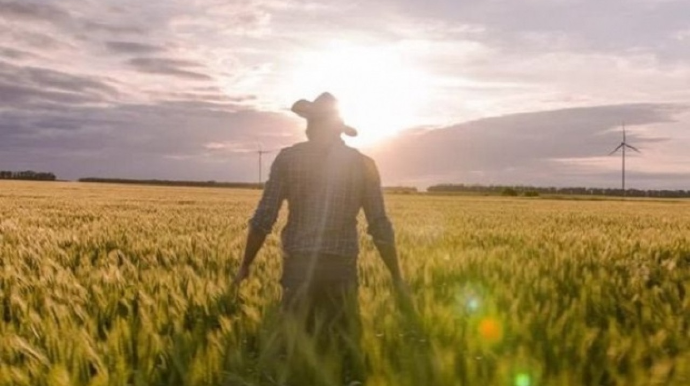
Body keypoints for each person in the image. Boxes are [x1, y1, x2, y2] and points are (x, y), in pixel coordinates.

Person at [232, 92, 407, 381]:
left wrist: (245, 265)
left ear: (310, 124)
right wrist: (397, 276)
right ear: (339, 128)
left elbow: (264, 217)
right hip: (341, 271)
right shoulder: (363, 164)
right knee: (342, 353)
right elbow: (380, 226)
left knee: (293, 354)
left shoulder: (288, 159)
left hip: (298, 269)